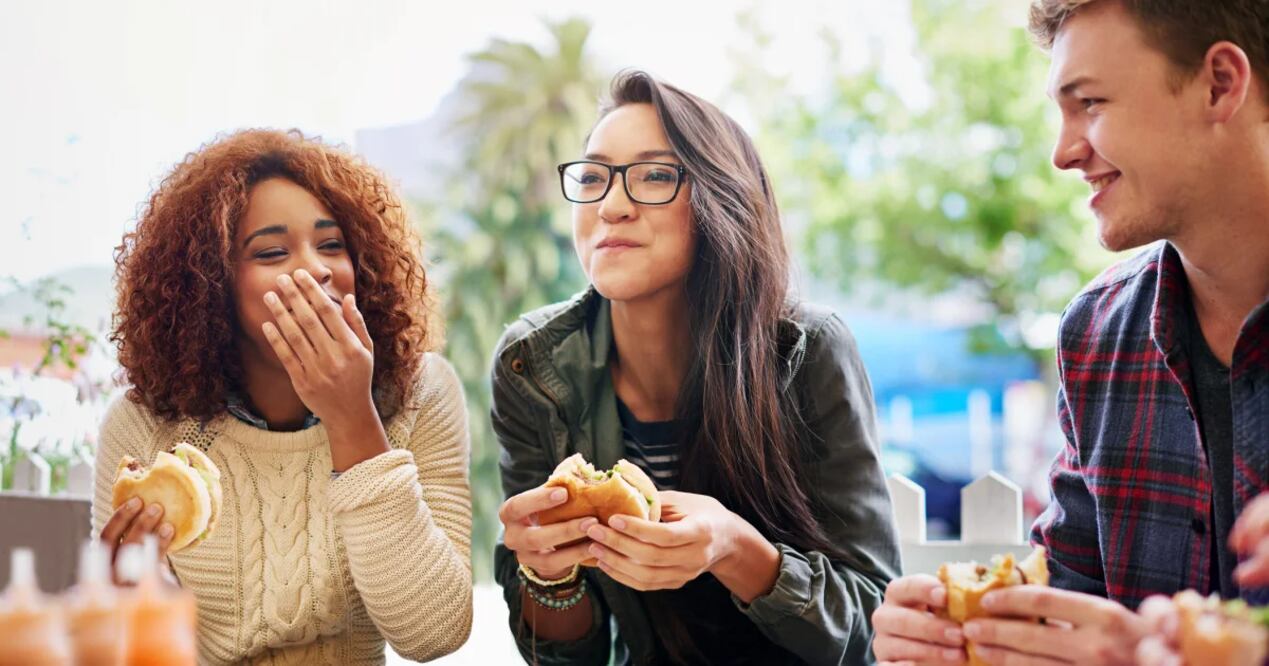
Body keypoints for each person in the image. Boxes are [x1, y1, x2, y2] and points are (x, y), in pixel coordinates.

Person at [872, 1, 1269, 664]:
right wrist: (968, 635)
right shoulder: (1095, 331)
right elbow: (1069, 601)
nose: (1062, 153)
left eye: (1089, 103)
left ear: (1219, 83)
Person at [490, 70, 900, 665]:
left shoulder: (808, 350)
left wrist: (734, 548)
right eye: (594, 176)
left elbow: (871, 628)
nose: (611, 205)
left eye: (655, 175)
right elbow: (567, 658)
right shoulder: (531, 365)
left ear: (721, 200)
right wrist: (548, 575)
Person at [95, 129, 473, 664]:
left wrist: (353, 420)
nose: (316, 269)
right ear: (210, 286)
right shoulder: (146, 426)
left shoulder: (420, 392)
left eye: (332, 245)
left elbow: (433, 634)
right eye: (272, 251)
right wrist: (133, 601)